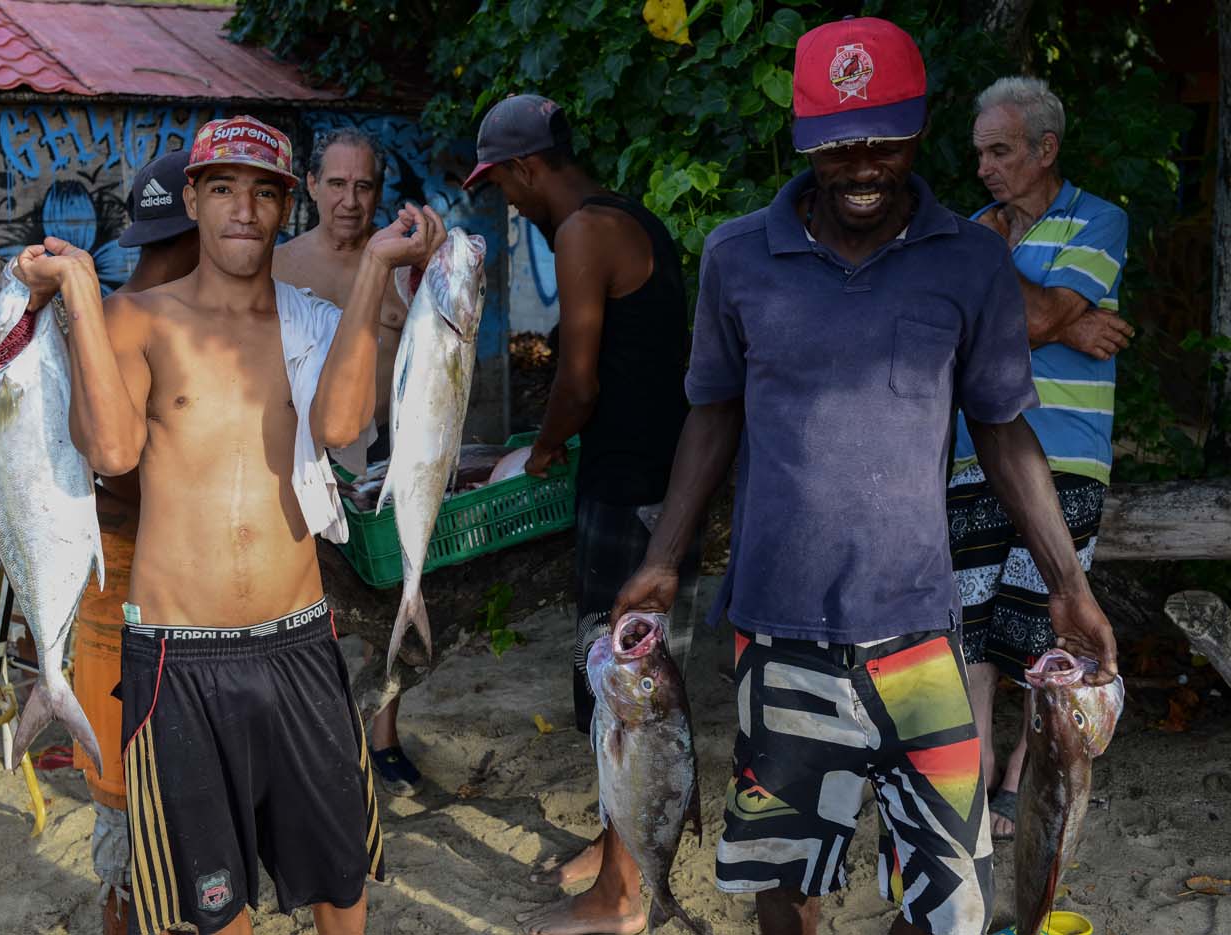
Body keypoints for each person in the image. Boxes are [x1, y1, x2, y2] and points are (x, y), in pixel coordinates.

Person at [612, 17, 1119, 935]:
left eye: (883, 140)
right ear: (806, 140)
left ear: (919, 130)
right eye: (837, 145)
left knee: (949, 894)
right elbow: (713, 412)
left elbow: (1003, 427)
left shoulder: (970, 261)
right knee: (788, 885)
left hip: (923, 636)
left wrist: (1070, 585)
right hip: (779, 636)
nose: (862, 166)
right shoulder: (737, 257)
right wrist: (662, 559)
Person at [13, 114, 446, 935]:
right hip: (177, 654)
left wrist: (381, 267)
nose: (243, 209)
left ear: (288, 205)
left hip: (296, 640)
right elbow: (109, 447)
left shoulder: (309, 318)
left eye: (262, 192)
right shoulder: (139, 317)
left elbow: (343, 424)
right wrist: (76, 290)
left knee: (341, 875)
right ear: (194, 200)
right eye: (222, 189)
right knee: (213, 901)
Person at [463, 93, 699, 935]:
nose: (508, 201)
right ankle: (616, 849)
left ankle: (622, 897)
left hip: (631, 482)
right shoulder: (627, 217)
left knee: (626, 687)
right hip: (655, 478)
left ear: (527, 168)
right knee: (618, 677)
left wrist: (545, 448)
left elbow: (580, 379)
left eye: (503, 184)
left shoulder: (578, 232)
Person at [950, 76, 1132, 840]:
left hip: (1067, 456)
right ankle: (972, 775)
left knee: (1036, 629)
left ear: (1044, 148)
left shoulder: (1100, 219)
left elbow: (1028, 318)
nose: (986, 168)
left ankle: (1017, 788)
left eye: (1001, 151)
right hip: (973, 452)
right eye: (980, 153)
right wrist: (1066, 321)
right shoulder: (971, 229)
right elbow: (976, 330)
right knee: (970, 632)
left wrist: (1041, 308)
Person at [70, 148, 200, 935]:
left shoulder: (121, 309)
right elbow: (115, 471)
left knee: (133, 793)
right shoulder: (133, 321)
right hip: (125, 580)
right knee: (130, 797)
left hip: (121, 586)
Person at [272, 127, 423, 797]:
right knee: (300, 601)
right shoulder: (278, 264)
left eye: (364, 186)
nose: (350, 200)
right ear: (311, 186)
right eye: (336, 184)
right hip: (302, 450)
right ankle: (303, 737)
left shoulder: (401, 262)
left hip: (386, 450)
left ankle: (383, 732)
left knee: (390, 597)